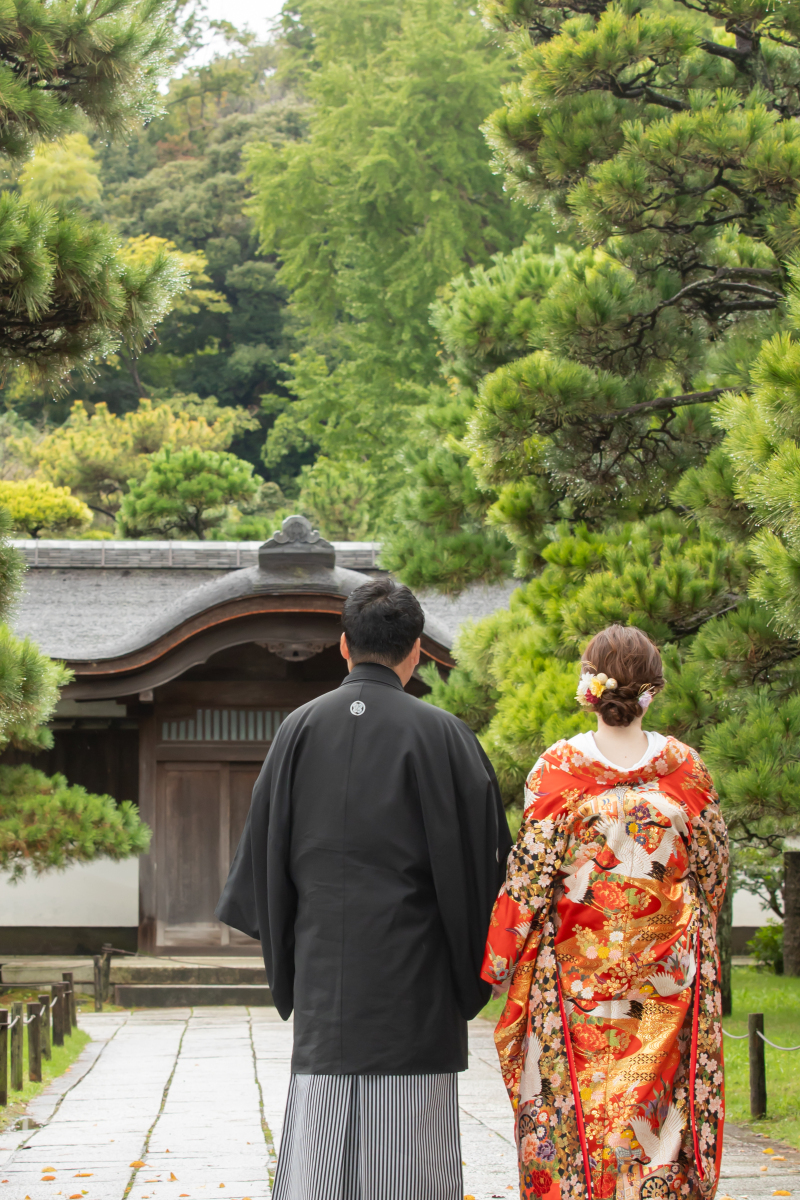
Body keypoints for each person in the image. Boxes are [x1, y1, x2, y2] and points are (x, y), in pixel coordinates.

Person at [216, 576, 511, 1200]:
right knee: (412, 1167)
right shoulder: (446, 736)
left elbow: (264, 860)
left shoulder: (297, 730)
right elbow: (489, 870)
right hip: (418, 985)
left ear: (344, 647)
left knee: (318, 1164)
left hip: (326, 981)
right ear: (418, 652)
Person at [482, 625, 728, 1200]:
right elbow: (713, 875)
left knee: (571, 1118)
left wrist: (496, 961)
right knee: (660, 1120)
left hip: (572, 977)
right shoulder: (685, 769)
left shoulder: (557, 768)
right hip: (667, 980)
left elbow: (529, 879)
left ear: (587, 686)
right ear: (654, 690)